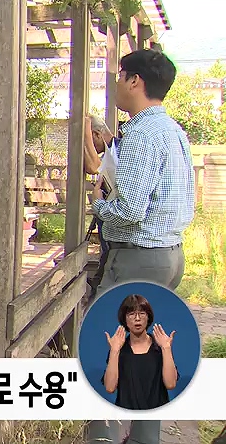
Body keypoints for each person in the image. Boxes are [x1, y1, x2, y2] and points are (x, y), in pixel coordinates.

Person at [85, 49, 194, 444]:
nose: (116, 83)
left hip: (138, 259)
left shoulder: (141, 134)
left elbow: (130, 210)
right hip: (169, 254)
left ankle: (104, 436)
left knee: (107, 348)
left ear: (135, 81)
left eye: (119, 75)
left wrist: (98, 204)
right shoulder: (173, 131)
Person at [102, 294, 178, 411]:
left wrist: (166, 348)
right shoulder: (119, 349)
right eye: (131, 314)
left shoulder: (160, 347)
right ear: (125, 319)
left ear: (148, 317)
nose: (137, 318)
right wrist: (114, 351)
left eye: (142, 313)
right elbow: (110, 387)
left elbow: (171, 384)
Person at [82, 115, 118, 299]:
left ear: (96, 135)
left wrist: (85, 130)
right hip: (109, 225)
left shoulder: (117, 150)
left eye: (90, 140)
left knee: (108, 273)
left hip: (115, 227)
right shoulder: (112, 151)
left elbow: (94, 166)